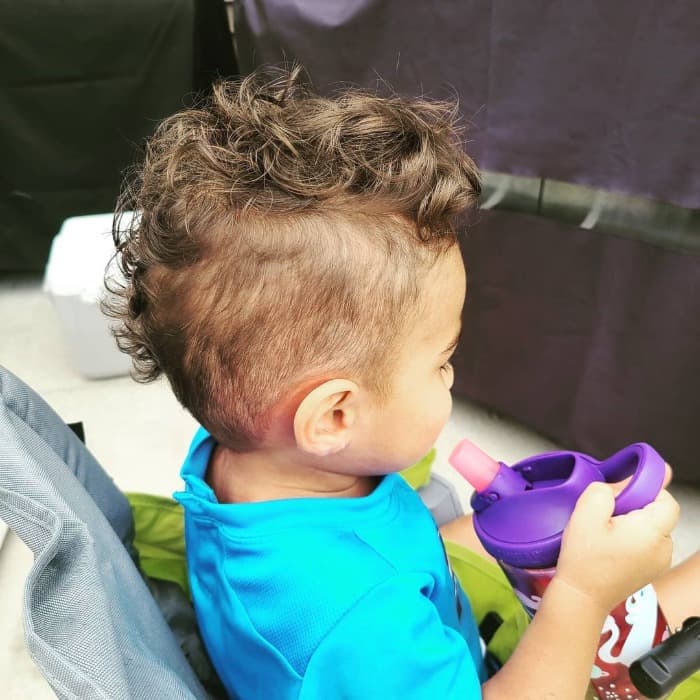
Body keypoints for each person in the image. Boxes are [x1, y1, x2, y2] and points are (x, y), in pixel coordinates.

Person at [107, 66, 699, 699]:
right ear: (334, 417)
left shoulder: (243, 447)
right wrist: (582, 596)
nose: (453, 374)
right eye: (441, 360)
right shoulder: (361, 622)